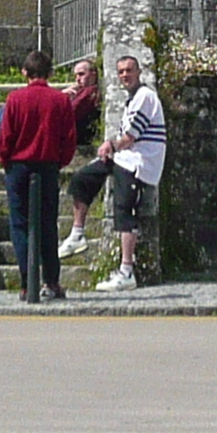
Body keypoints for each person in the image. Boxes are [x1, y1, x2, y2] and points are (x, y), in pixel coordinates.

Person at [0, 47, 74, 302]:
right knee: (48, 224)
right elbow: (69, 138)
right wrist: (60, 161)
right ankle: (51, 280)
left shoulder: (15, 99)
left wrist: (5, 159)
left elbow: (5, 136)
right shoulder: (60, 100)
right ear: (50, 73)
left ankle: (27, 282)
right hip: (48, 165)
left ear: (25, 72)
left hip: (19, 166)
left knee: (20, 224)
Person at [93, 52, 164, 293]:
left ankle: (126, 271)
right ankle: (78, 233)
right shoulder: (132, 100)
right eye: (121, 71)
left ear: (139, 72)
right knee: (84, 178)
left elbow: (130, 137)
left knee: (124, 211)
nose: (125, 75)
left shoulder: (144, 97)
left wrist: (110, 145)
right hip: (127, 159)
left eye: (129, 70)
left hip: (139, 164)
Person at [57, 57, 108, 257]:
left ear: (93, 74)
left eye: (82, 74)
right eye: (76, 75)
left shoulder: (88, 93)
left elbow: (69, 113)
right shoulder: (81, 92)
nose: (78, 79)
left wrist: (61, 99)